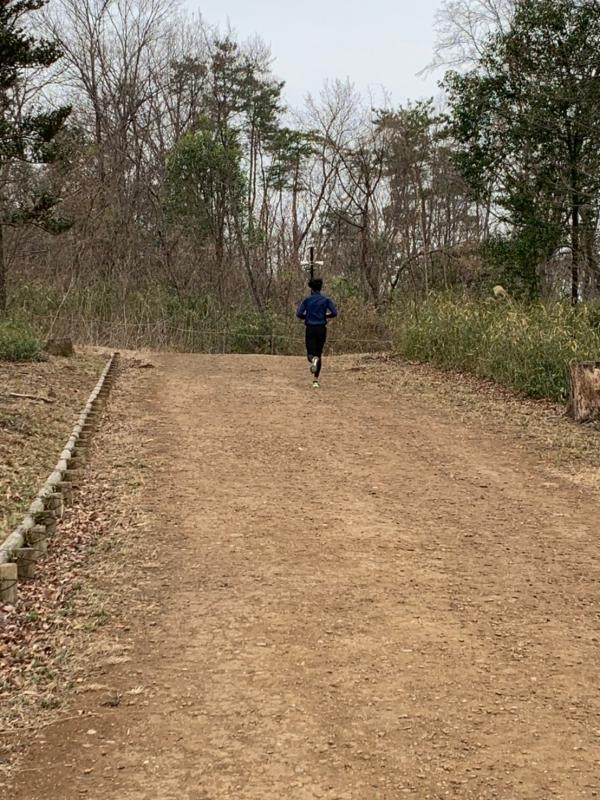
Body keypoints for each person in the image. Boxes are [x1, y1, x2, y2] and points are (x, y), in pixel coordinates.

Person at [296, 277, 338, 388]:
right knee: (319, 353)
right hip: (321, 329)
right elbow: (334, 312)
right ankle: (315, 380)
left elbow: (299, 314)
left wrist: (307, 316)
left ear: (311, 289)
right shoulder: (326, 300)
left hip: (310, 328)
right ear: (320, 288)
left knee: (310, 352)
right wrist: (325, 315)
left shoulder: (307, 300)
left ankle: (312, 360)